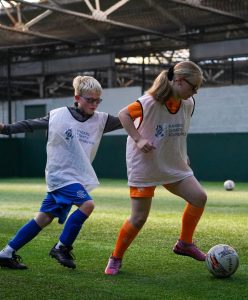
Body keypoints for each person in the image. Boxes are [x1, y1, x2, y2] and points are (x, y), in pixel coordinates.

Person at [0, 75, 122, 270]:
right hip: (60, 175)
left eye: (97, 100)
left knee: (44, 218)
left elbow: (127, 119)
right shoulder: (58, 115)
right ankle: (61, 247)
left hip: (74, 177)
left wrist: (148, 107)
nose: (94, 104)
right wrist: (5, 128)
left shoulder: (102, 120)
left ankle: (5, 253)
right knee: (87, 205)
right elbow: (31, 124)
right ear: (77, 97)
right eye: (89, 100)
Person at [104, 61, 207, 276]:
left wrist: (183, 154)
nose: (195, 91)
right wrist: (139, 139)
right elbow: (123, 114)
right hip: (145, 164)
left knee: (199, 197)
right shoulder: (149, 102)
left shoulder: (189, 103)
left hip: (173, 164)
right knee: (139, 218)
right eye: (193, 86)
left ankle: (184, 244)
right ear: (178, 81)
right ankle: (116, 257)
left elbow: (177, 130)